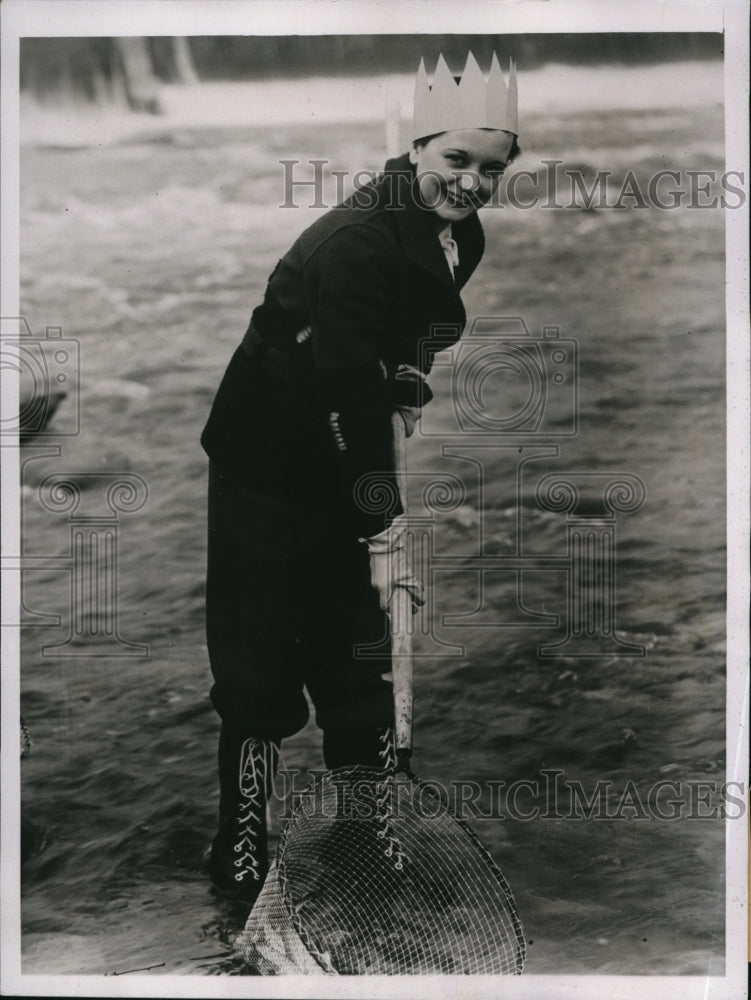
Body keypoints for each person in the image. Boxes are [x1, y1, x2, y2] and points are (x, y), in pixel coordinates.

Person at [200, 51, 521, 903]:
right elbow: (343, 385)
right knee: (260, 647)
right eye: (456, 160)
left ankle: (361, 828)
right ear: (417, 149)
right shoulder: (354, 245)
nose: (472, 183)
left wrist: (408, 381)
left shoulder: (457, 234)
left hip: (348, 432)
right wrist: (383, 526)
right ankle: (238, 838)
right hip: (269, 457)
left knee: (357, 639)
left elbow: (423, 326)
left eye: (492, 168)